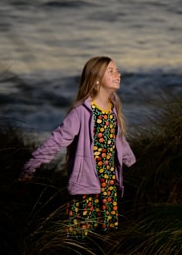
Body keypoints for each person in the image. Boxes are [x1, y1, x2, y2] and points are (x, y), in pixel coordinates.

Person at [21, 56, 136, 239]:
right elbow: (58, 138)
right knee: (80, 234)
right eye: (111, 71)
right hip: (87, 182)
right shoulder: (82, 111)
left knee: (105, 232)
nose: (118, 74)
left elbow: (118, 139)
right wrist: (32, 164)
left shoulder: (113, 108)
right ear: (96, 80)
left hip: (109, 182)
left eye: (117, 70)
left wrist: (131, 161)